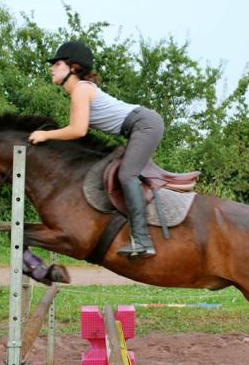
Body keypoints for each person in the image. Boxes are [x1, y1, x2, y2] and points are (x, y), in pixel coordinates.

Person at [29, 41, 161, 258]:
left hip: (144, 124)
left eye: (57, 63)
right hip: (138, 126)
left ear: (73, 68)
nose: (51, 68)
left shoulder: (81, 90)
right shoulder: (80, 92)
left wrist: (45, 134)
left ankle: (142, 240)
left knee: (127, 174)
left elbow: (78, 130)